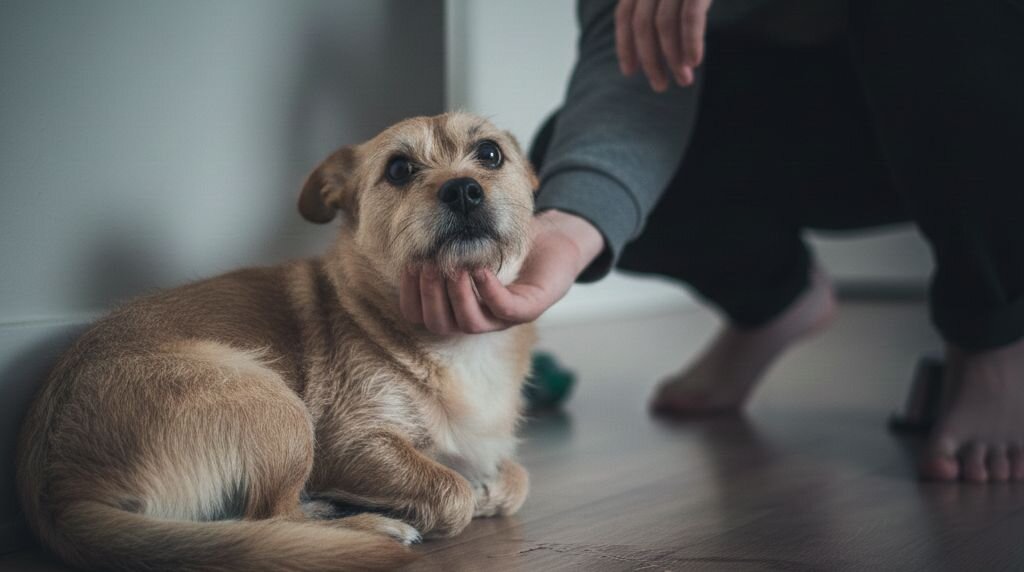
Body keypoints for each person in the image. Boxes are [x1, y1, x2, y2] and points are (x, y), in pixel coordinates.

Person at [399, 0, 1024, 483]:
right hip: (817, 127)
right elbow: (629, 87)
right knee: (569, 152)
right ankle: (775, 301)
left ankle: (995, 335)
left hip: (978, 101)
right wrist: (570, 227)